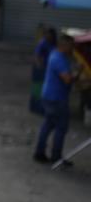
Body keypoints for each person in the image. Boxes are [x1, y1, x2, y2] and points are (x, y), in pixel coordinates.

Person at [34, 34, 79, 166]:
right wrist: (77, 74)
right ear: (64, 46)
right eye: (71, 46)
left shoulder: (56, 55)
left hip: (49, 96)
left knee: (48, 124)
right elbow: (67, 79)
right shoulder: (58, 59)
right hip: (56, 98)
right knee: (61, 127)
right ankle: (56, 157)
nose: (73, 48)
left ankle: (39, 153)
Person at [30, 27, 57, 114]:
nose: (48, 36)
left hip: (47, 68)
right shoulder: (43, 43)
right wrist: (39, 66)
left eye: (50, 35)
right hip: (40, 68)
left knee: (43, 89)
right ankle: (35, 107)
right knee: (37, 88)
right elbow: (37, 55)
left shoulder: (53, 44)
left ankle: (41, 107)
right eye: (47, 34)